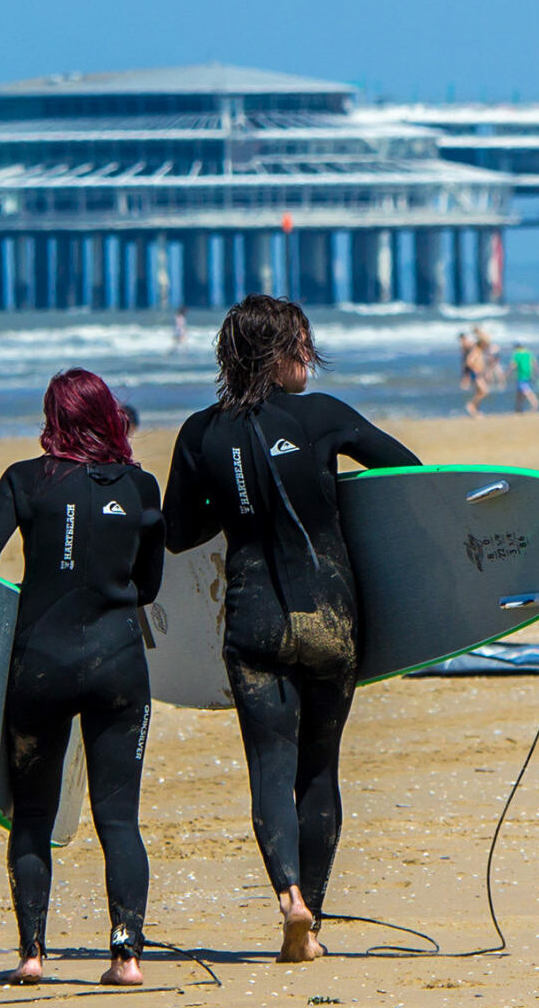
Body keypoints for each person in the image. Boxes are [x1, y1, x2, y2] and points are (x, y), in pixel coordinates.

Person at [165, 296, 420, 963]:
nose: (309, 357)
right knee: (320, 768)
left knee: (270, 769)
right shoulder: (325, 416)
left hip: (253, 624)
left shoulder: (198, 434)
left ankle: (290, 899)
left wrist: (234, 495)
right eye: (300, 345)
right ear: (274, 355)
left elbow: (179, 533)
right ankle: (319, 920)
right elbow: (411, 474)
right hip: (330, 617)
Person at [0, 369, 164, 987]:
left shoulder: (23, 480)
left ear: (54, 419)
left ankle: (33, 955)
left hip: (40, 668)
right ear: (109, 415)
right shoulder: (140, 486)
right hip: (119, 668)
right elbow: (149, 586)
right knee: (119, 820)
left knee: (32, 818)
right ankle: (125, 956)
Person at [460, 332, 492, 417]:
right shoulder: (476, 351)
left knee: (479, 392)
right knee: (484, 391)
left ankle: (475, 411)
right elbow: (469, 362)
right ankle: (471, 405)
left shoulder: (480, 351)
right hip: (476, 375)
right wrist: (475, 371)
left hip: (479, 374)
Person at [509, 341, 539, 412]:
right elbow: (534, 363)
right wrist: (537, 371)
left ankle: (535, 403)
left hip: (521, 375)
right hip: (528, 374)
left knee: (526, 391)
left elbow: (513, 365)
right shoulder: (529, 353)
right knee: (519, 393)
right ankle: (518, 408)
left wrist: (507, 373)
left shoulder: (516, 354)